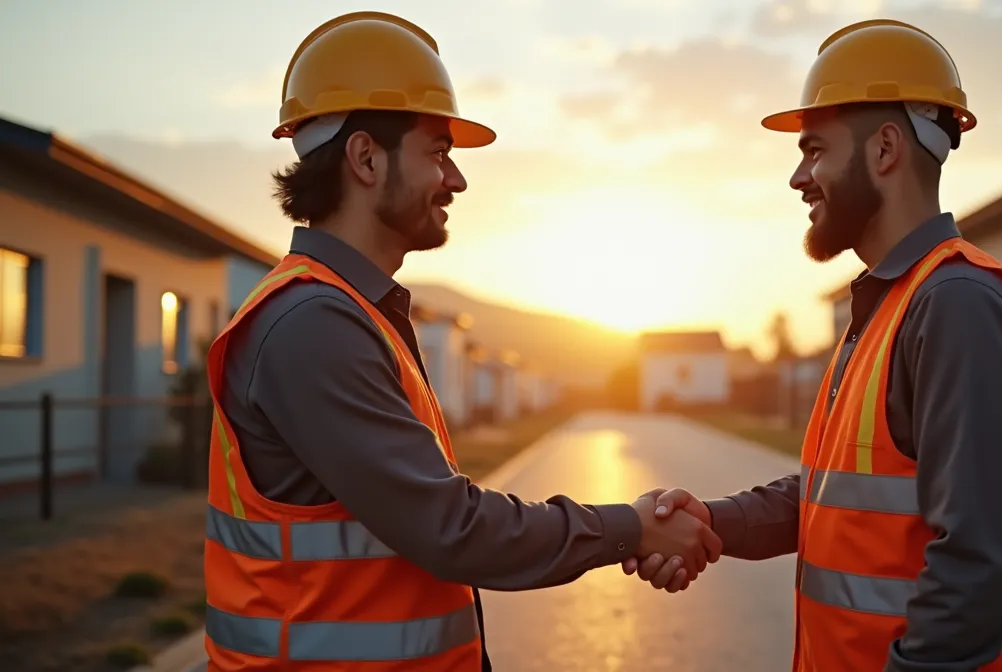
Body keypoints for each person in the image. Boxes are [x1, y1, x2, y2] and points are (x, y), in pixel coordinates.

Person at [201, 11, 720, 671]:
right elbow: (454, 529)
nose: (457, 180)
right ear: (365, 158)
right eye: (437, 153)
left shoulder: (354, 312)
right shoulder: (312, 325)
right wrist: (634, 526)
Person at [623, 19, 1002, 672]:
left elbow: (981, 555)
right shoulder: (888, 306)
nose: (800, 177)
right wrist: (710, 520)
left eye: (815, 150)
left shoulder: (958, 306)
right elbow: (833, 496)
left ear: (884, 150)